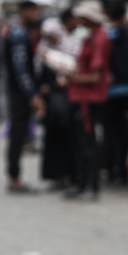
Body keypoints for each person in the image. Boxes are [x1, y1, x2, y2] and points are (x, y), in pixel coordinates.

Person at [67, 0, 111, 200]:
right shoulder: (90, 37)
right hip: (80, 97)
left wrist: (72, 76)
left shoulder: (100, 39)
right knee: (80, 144)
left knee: (88, 144)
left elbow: (95, 76)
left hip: (89, 99)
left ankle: (91, 186)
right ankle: (82, 183)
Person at [4, 0, 44, 191]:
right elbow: (20, 69)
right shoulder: (19, 33)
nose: (37, 13)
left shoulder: (21, 32)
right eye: (34, 10)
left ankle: (14, 176)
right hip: (19, 94)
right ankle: (14, 177)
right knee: (17, 134)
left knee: (19, 134)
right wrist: (32, 94)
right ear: (25, 11)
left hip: (18, 92)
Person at [38, 11, 81, 188]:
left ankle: (68, 174)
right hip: (52, 98)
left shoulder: (71, 44)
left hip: (67, 96)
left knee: (68, 136)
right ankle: (55, 176)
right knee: (52, 137)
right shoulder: (45, 47)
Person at [104, 0, 128, 186]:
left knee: (109, 134)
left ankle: (111, 172)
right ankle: (125, 173)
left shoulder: (106, 38)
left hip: (110, 94)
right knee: (125, 135)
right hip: (127, 92)